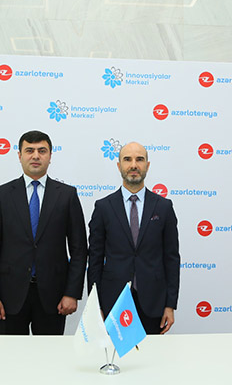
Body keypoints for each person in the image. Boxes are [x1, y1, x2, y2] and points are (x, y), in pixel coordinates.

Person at [0, 130, 87, 335]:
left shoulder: (67, 195)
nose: (36, 156)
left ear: (50, 156)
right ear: (19, 155)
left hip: (54, 298)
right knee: (10, 354)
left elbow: (79, 250)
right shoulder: (2, 195)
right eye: (29, 150)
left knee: (50, 354)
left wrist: (72, 293)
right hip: (9, 298)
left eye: (42, 151)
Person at [87, 142, 180, 334]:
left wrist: (170, 305)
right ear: (119, 165)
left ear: (147, 165)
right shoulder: (103, 207)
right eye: (127, 159)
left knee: (152, 353)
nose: (134, 165)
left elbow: (171, 258)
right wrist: (96, 305)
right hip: (113, 302)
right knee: (115, 353)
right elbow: (95, 259)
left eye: (139, 159)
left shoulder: (163, 207)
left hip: (154, 302)